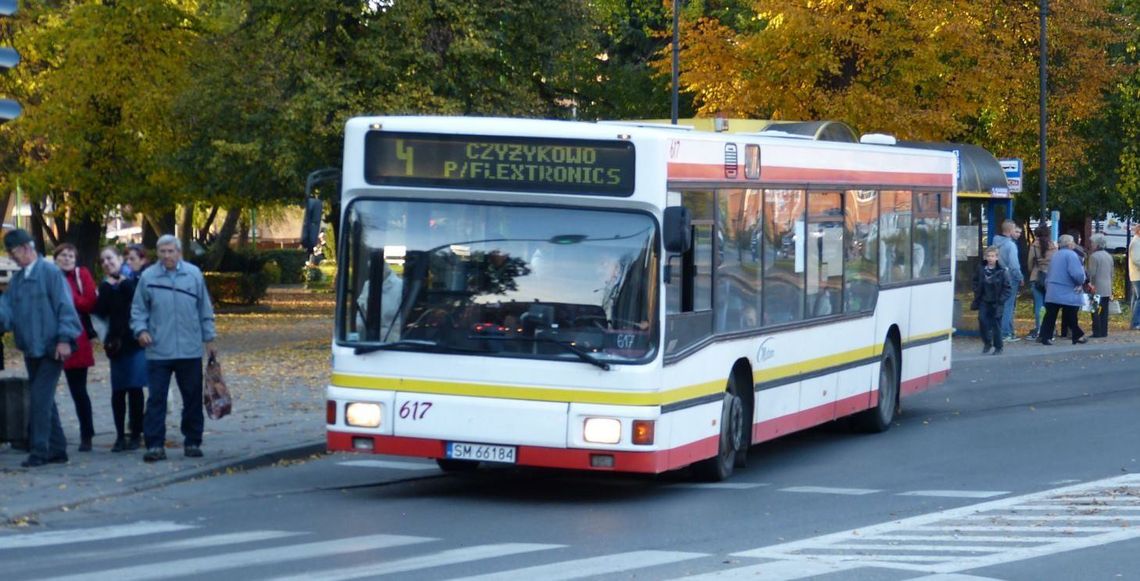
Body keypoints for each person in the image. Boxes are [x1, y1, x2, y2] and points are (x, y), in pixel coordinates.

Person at [130, 235, 217, 462]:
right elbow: (138, 310)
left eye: (171, 251)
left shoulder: (193, 274)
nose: (167, 256)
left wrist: (210, 339)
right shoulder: (148, 277)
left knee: (192, 398)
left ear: (178, 252)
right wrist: (141, 331)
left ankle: (192, 441)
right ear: (157, 253)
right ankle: (155, 445)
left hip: (189, 349)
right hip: (158, 350)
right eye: (162, 251)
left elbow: (204, 309)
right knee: (156, 399)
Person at [0, 229, 82, 467]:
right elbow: (7, 312)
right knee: (45, 399)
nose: (12, 257)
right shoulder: (18, 280)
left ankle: (39, 451)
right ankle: (58, 449)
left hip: (51, 347)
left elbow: (65, 307)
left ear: (26, 248)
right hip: (31, 347)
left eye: (13, 252)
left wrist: (65, 339)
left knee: (39, 398)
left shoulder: (50, 273)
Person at [94, 246, 146, 452]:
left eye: (110, 258)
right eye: (103, 261)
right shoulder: (105, 286)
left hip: (135, 342)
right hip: (116, 345)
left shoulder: (133, 279)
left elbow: (138, 301)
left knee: (135, 389)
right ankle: (119, 436)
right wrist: (107, 287)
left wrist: (123, 283)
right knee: (118, 391)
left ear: (119, 259)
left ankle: (136, 433)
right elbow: (99, 311)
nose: (107, 263)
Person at [53, 243, 98, 452]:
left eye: (71, 255)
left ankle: (86, 434)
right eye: (63, 255)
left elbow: (89, 303)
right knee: (44, 389)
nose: (67, 258)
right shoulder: (50, 276)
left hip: (76, 336)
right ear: (56, 258)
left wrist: (68, 297)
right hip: (50, 336)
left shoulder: (82, 275)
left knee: (78, 390)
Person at [1038, 234, 1088, 346]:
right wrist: (1080, 282)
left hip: (1052, 289)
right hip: (1067, 290)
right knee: (1071, 314)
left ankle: (1045, 336)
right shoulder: (1071, 255)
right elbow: (1077, 274)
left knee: (1050, 315)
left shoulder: (1056, 255)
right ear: (1070, 244)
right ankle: (1077, 335)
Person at [972, 246, 1012, 355]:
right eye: (988, 256)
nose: (990, 258)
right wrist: (976, 291)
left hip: (997, 301)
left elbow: (1007, 289)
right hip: (984, 300)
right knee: (982, 320)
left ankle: (998, 347)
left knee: (996, 324)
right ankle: (987, 342)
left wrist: (1001, 300)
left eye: (993, 256)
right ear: (985, 257)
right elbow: (975, 281)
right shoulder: (981, 269)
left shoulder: (1002, 271)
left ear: (997, 258)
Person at [992, 220, 1023, 341]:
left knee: (1001, 304)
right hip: (1010, 278)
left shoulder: (995, 243)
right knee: (1008, 305)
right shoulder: (1011, 245)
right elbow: (1014, 265)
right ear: (1010, 231)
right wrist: (1020, 277)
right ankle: (1005, 332)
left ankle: (1004, 330)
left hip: (998, 277)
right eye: (1014, 229)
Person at [1026, 226, 1056, 340]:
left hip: (1037, 277)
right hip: (1050, 278)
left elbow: (1029, 263)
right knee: (1050, 306)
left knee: (1039, 306)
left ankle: (1039, 330)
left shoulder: (1034, 246)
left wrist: (1033, 271)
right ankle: (1050, 331)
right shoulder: (1053, 246)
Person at [1086, 234, 1114, 338]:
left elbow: (1091, 273)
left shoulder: (1094, 257)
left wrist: (1089, 285)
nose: (1091, 245)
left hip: (1096, 287)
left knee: (1095, 310)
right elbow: (1112, 272)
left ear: (1097, 244)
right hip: (1107, 287)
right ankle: (1104, 331)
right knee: (1104, 311)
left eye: (1092, 243)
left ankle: (1096, 331)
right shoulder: (1108, 256)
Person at [1129, 222, 1140, 330]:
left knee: (1137, 298)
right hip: (1138, 275)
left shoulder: (1137, 241)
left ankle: (1135, 321)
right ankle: (1136, 322)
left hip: (1136, 275)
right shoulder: (1136, 242)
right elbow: (1137, 260)